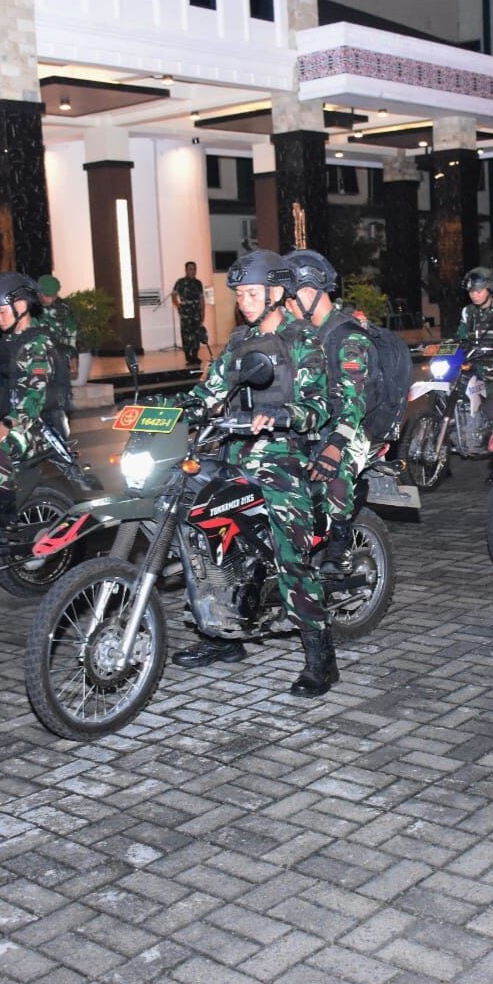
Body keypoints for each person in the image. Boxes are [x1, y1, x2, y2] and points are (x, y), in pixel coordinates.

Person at [173, 250, 335, 697]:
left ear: (276, 293)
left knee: (291, 554)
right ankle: (221, 636)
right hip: (236, 452)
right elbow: (211, 390)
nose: (243, 301)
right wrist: (169, 409)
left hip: (285, 458)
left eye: (251, 293)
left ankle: (320, 659)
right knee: (195, 522)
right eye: (239, 294)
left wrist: (279, 416)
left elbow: (317, 407)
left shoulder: (302, 338)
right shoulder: (240, 341)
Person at [282, 250, 371, 574]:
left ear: (309, 292)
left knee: (332, 469)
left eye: (289, 298)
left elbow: (353, 403)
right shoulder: (300, 336)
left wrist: (334, 445)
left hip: (350, 429)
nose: (286, 307)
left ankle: (339, 544)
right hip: (311, 423)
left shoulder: (348, 337)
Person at [0, 272, 59, 530]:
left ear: (21, 306)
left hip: (36, 425)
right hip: (13, 415)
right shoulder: (10, 341)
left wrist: (7, 424)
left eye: (2, 311)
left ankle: (6, 513)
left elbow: (34, 396)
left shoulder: (37, 344)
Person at [36, 275, 80, 386]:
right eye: (47, 296)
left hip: (58, 361)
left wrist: (73, 362)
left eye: (54, 296)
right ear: (39, 292)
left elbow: (70, 336)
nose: (50, 299)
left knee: (60, 396)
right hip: (35, 360)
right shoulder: (30, 309)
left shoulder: (63, 309)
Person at [455, 267, 493, 348]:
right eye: (471, 291)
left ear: (490, 289)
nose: (474, 295)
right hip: (472, 357)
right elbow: (460, 337)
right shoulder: (468, 311)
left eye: (478, 291)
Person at [171, 260, 209, 366]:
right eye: (190, 269)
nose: (192, 271)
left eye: (194, 269)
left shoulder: (198, 283)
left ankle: (195, 355)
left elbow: (201, 299)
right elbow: (173, 295)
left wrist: (203, 312)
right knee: (186, 334)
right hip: (186, 312)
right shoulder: (180, 282)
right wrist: (178, 306)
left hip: (196, 312)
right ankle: (188, 356)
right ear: (186, 270)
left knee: (196, 334)